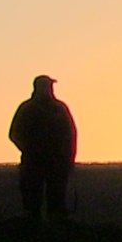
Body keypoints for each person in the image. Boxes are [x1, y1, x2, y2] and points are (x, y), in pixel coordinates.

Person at [8, 75, 76, 222]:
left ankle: (54, 229)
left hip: (55, 163)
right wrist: (30, 150)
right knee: (32, 202)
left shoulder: (58, 109)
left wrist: (69, 158)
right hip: (36, 162)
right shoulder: (29, 109)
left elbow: (70, 135)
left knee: (56, 201)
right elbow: (14, 134)